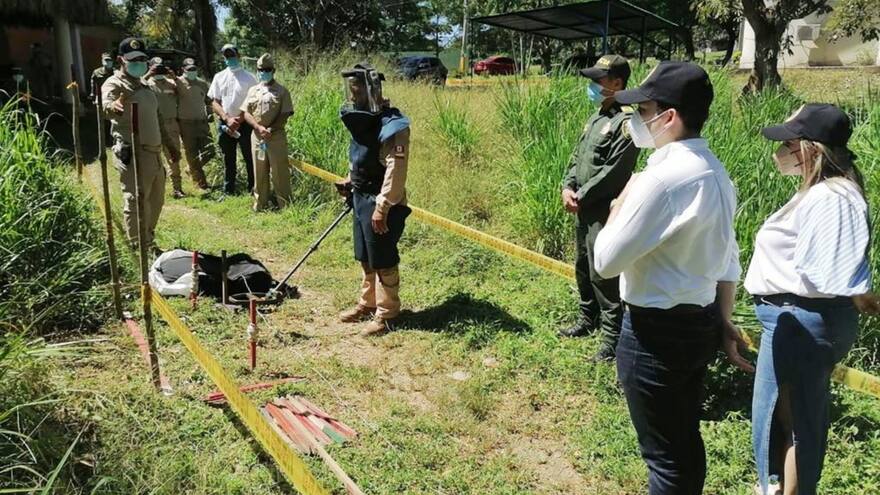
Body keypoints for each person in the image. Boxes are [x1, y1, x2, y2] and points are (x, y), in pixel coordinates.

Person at [592, 61, 753, 495]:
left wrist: (619, 204)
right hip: (697, 324)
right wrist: (722, 320)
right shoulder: (716, 173)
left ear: (669, 116)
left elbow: (605, 262)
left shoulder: (660, 179)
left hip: (653, 335)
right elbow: (727, 260)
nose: (637, 121)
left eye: (643, 111)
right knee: (682, 444)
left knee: (664, 458)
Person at [745, 103, 880, 495]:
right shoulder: (827, 192)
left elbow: (829, 266)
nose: (781, 151)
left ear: (811, 148)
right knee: (789, 418)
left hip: (800, 319)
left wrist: (856, 287)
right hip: (798, 319)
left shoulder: (832, 196)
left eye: (788, 142)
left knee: (794, 423)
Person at [559, 54, 639, 362]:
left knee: (603, 273)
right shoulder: (597, 117)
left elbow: (615, 171)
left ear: (617, 83)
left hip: (604, 210)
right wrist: (568, 186)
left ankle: (611, 339)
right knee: (582, 266)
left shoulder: (626, 122)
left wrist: (582, 196)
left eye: (598, 80)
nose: (592, 86)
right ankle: (586, 318)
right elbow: (577, 158)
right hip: (583, 208)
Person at [334, 63, 412, 336]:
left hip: (382, 202)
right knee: (365, 256)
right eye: (351, 90)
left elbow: (395, 168)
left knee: (383, 258)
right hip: (360, 197)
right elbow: (362, 156)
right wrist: (349, 180)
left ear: (372, 90)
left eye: (357, 90)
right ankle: (367, 303)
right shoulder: (362, 120)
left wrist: (384, 206)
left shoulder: (394, 125)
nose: (353, 96)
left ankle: (388, 313)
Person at [102, 37, 174, 251]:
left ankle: (148, 240)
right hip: (133, 152)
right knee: (136, 201)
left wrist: (170, 145)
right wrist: (113, 106)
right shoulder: (115, 83)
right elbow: (106, 104)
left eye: (142, 59)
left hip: (154, 152)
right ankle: (138, 247)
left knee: (156, 200)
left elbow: (157, 118)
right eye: (133, 59)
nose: (139, 63)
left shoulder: (144, 85)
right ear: (120, 60)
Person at [240, 53, 293, 211]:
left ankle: (284, 205)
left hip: (275, 137)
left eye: (267, 69)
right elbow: (246, 112)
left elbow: (285, 113)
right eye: (260, 69)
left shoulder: (282, 91)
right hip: (257, 137)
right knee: (259, 171)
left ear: (273, 70)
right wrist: (258, 128)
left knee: (279, 172)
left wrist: (270, 128)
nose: (263, 72)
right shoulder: (253, 90)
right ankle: (260, 204)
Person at [208, 43, 257, 195]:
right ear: (224, 58)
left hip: (245, 124)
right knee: (228, 158)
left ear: (239, 56)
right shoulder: (219, 77)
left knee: (249, 157)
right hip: (225, 124)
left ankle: (252, 188)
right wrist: (227, 118)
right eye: (227, 56)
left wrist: (239, 120)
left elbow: (252, 103)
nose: (230, 58)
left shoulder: (250, 78)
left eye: (232, 55)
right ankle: (228, 190)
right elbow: (215, 101)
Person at [145, 58, 185, 198]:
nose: (159, 71)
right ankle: (152, 189)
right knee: (151, 158)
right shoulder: (146, 84)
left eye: (161, 68)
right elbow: (134, 87)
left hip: (170, 124)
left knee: (173, 157)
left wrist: (174, 77)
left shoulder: (172, 84)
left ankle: (177, 188)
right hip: (152, 124)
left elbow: (185, 92)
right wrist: (148, 74)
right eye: (156, 69)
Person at [176, 57, 212, 190]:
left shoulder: (202, 83)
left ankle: (190, 169)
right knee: (192, 153)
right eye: (189, 70)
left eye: (194, 69)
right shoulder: (177, 83)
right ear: (183, 70)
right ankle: (201, 183)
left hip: (202, 122)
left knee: (210, 151)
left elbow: (209, 100)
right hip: (186, 123)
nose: (192, 72)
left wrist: (210, 113)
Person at [90, 52, 115, 146]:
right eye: (106, 60)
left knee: (113, 119)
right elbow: (93, 84)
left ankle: (113, 139)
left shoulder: (115, 72)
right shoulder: (97, 72)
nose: (108, 62)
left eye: (110, 60)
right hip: (100, 98)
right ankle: (104, 141)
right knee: (102, 120)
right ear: (102, 61)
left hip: (112, 98)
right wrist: (93, 97)